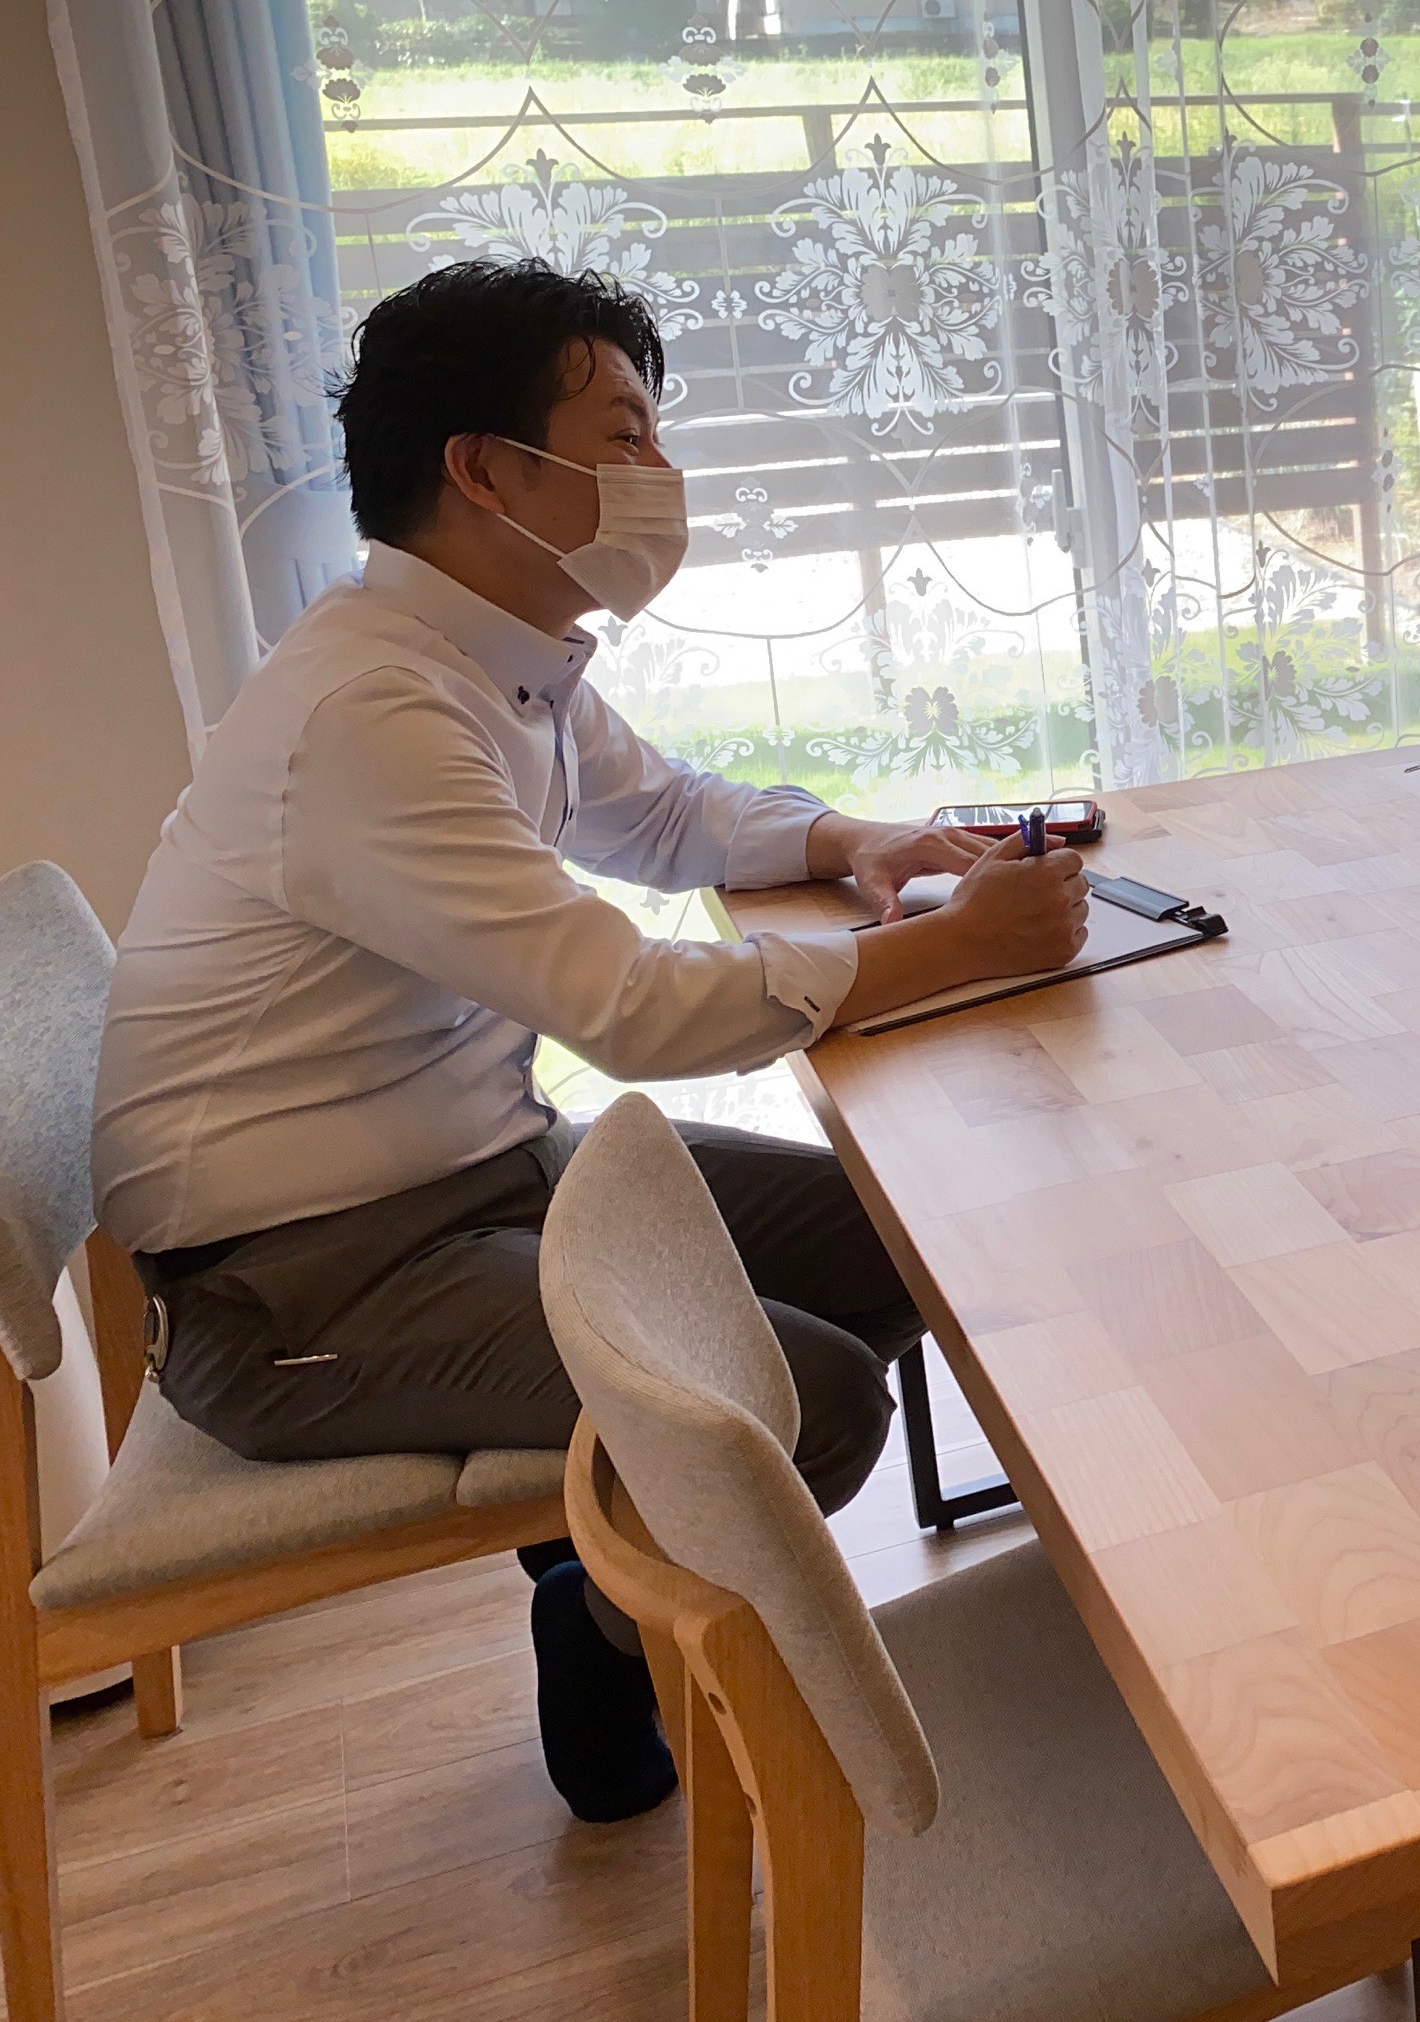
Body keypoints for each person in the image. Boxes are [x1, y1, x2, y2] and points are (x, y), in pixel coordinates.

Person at [90, 260, 1091, 1823]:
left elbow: (668, 812)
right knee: (803, 1405)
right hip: (291, 1280)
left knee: (908, 1240)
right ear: (483, 469)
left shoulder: (494, 659)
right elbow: (626, 1005)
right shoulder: (373, 712)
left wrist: (857, 843)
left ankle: (598, 1528)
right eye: (621, 433)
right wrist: (936, 953)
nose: (660, 475)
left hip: (485, 1171)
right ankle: (608, 1620)